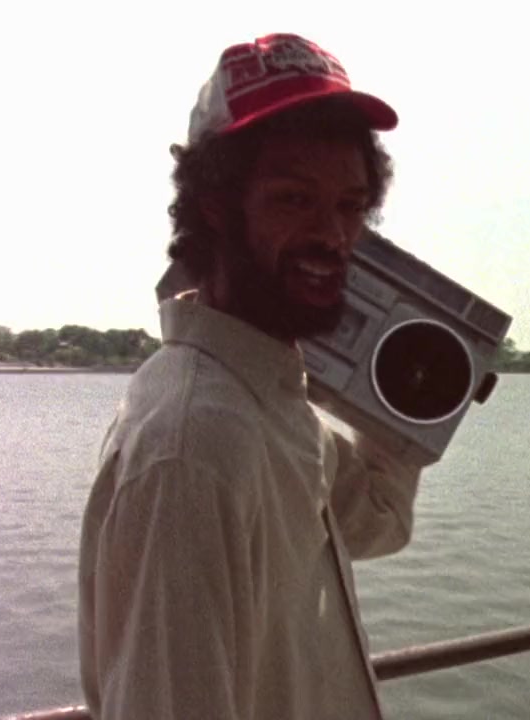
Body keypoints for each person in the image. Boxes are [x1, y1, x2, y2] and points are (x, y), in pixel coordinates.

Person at [77, 33, 425, 720]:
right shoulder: (194, 447)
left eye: (350, 206)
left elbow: (377, 521)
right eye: (295, 200)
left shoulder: (271, 405)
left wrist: (409, 382)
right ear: (216, 205)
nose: (333, 236)